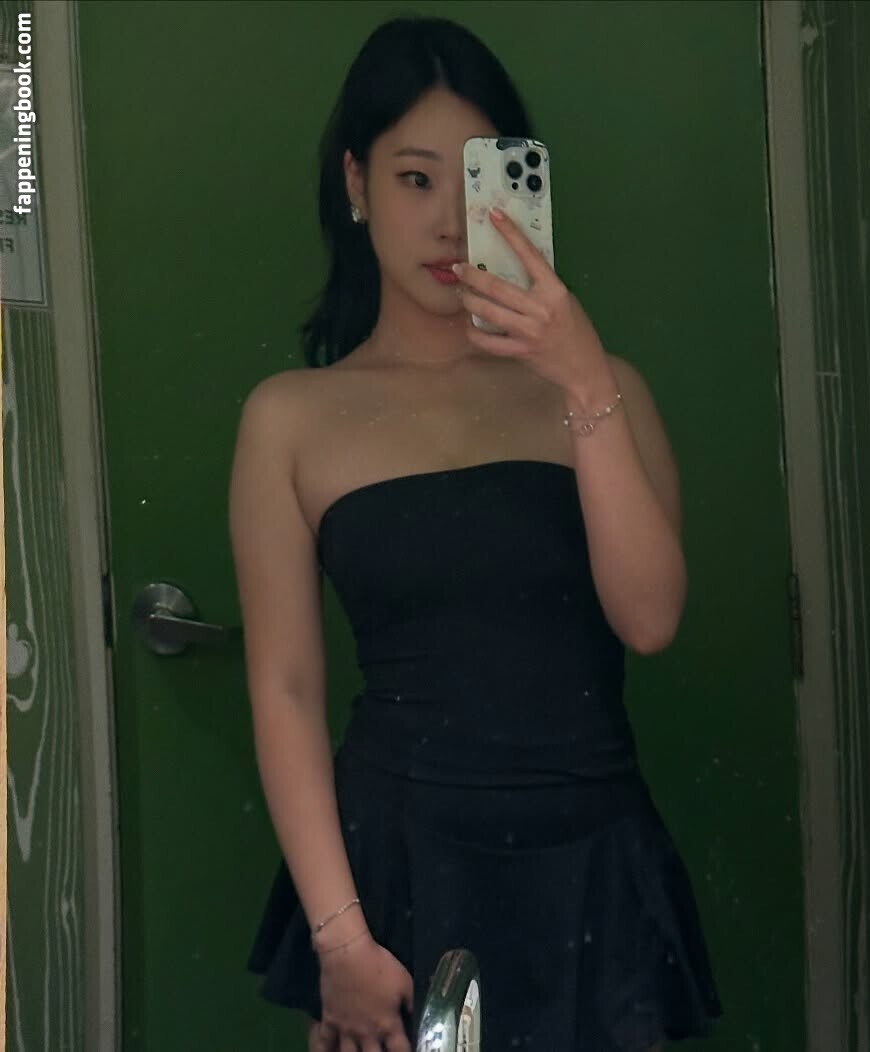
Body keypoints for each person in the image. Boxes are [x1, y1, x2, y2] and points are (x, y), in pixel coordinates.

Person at [229, 17, 721, 1051]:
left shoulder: (606, 390)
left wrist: (581, 380)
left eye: (476, 179)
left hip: (590, 862)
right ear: (356, 183)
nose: (450, 222)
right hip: (394, 872)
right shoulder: (289, 418)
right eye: (415, 179)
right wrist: (338, 938)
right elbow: (286, 687)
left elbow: (651, 618)